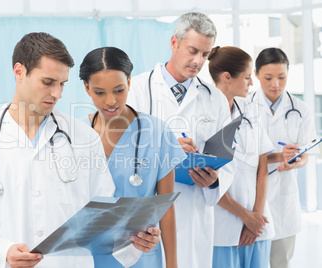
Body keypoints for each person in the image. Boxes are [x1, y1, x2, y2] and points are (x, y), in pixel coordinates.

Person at [0, 32, 160, 268]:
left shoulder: (84, 138)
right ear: (19, 72)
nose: (58, 94)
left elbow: (103, 215)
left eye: (62, 84)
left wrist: (133, 239)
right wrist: (2, 251)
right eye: (48, 82)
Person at [127, 12, 235, 268]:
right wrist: (167, 148)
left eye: (205, 55)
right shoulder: (138, 89)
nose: (198, 61)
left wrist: (214, 182)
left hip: (196, 212)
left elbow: (229, 158)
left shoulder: (215, 98)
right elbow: (121, 150)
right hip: (150, 215)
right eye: (193, 50)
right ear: (174, 43)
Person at [79, 46, 186, 268]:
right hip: (88, 256)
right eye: (100, 92)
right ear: (86, 88)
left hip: (140, 255)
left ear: (129, 82)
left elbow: (165, 207)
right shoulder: (76, 133)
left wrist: (173, 265)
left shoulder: (157, 133)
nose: (111, 101)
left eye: (119, 90)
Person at [208, 46, 275, 267]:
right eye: (247, 77)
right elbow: (206, 179)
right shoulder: (204, 116)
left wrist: (255, 217)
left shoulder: (251, 109)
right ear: (227, 77)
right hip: (224, 228)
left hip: (258, 226)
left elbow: (262, 167)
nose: (251, 83)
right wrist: (244, 216)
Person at [252, 47, 319, 268]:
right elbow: (245, 155)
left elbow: (305, 154)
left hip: (284, 199)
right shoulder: (245, 107)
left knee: (281, 262)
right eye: (268, 78)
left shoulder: (301, 109)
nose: (276, 85)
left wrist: (297, 161)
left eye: (282, 77)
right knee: (254, 261)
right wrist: (278, 156)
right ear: (256, 74)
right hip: (252, 197)